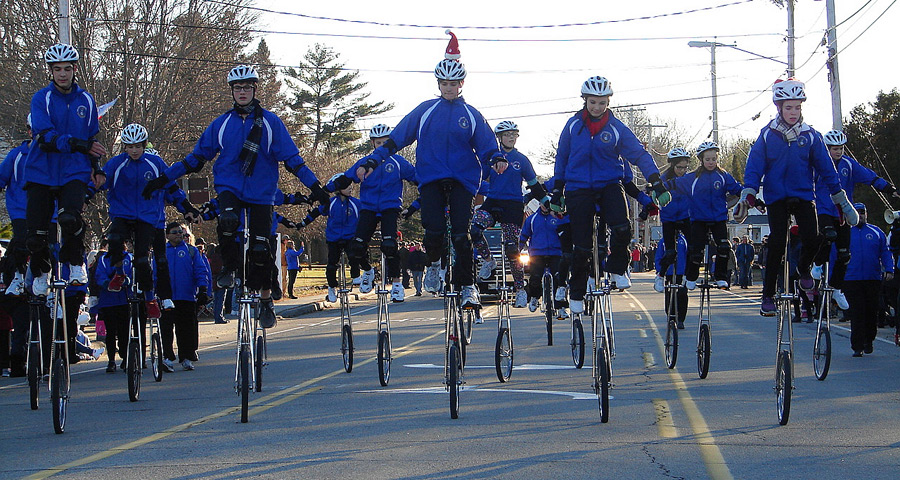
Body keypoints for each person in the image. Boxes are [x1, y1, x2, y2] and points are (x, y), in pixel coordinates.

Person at [142, 65, 329, 329]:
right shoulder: (222, 124)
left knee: (262, 249)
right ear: (232, 91)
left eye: (246, 87)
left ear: (254, 89)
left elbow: (293, 161)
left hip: (262, 192)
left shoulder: (270, 123)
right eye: (237, 88)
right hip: (230, 186)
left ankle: (266, 300)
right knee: (228, 220)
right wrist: (164, 178)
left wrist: (317, 188)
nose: (242, 92)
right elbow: (195, 158)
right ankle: (230, 269)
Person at [550, 75, 670, 314]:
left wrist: (656, 182)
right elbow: (562, 158)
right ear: (585, 100)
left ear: (608, 102)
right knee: (582, 246)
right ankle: (576, 292)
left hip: (609, 184)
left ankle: (617, 268)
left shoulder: (616, 128)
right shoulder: (573, 126)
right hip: (578, 187)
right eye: (593, 102)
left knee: (622, 227)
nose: (597, 107)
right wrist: (557, 190)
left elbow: (638, 155)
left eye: (602, 103)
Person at [742, 78, 857, 316]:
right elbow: (754, 164)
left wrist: (840, 199)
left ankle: (804, 269)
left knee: (813, 238)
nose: (793, 112)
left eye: (797, 107)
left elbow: (827, 169)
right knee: (776, 243)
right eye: (788, 107)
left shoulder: (811, 136)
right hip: (776, 197)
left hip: (804, 194)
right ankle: (768, 295)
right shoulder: (768, 134)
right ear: (779, 108)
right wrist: (750, 190)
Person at [25, 43, 107, 296]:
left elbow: (92, 137)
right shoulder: (42, 98)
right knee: (36, 235)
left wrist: (97, 168)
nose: (63, 74)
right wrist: (77, 143)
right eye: (57, 69)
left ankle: (75, 262)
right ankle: (42, 271)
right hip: (42, 169)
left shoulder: (86, 99)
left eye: (67, 69)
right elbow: (46, 136)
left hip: (74, 170)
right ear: (51, 71)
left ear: (74, 70)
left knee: (70, 217)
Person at [96, 124, 180, 319]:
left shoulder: (155, 162)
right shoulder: (116, 164)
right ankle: (118, 273)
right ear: (125, 147)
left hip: (147, 217)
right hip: (123, 214)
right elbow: (100, 182)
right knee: (114, 238)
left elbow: (172, 186)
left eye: (138, 146)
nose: (134, 150)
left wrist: (186, 207)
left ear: (144, 145)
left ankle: (151, 298)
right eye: (130, 146)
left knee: (144, 258)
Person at [327, 123, 418, 302]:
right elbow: (345, 179)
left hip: (390, 207)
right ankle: (368, 271)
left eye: (385, 143)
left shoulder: (398, 162)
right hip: (368, 207)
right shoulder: (364, 163)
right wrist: (322, 190)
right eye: (378, 143)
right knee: (357, 246)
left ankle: (397, 284)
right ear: (373, 144)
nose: (382, 146)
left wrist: (418, 203)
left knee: (390, 245)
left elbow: (419, 179)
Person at [811, 129, 899, 311]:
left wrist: (889, 189)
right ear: (827, 149)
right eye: (834, 149)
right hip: (823, 208)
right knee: (828, 234)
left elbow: (869, 177)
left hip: (843, 211)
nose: (838, 152)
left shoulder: (848, 165)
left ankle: (836, 287)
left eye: (841, 148)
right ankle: (818, 264)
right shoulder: (817, 165)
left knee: (844, 254)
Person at [470, 120, 547, 309]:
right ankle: (489, 261)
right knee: (475, 230)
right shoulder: (492, 158)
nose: (511, 138)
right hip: (493, 201)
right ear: (499, 138)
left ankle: (520, 289)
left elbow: (534, 185)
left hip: (513, 205)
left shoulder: (521, 160)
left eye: (514, 134)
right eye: (507, 135)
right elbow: (477, 179)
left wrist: (546, 201)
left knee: (513, 249)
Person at [298, 176, 363, 303]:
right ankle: (332, 287)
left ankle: (356, 276)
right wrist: (302, 223)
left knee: (354, 255)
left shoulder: (356, 203)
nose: (350, 188)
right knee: (332, 263)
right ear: (338, 189)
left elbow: (367, 213)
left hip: (350, 236)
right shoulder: (331, 203)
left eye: (351, 186)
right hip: (334, 237)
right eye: (346, 186)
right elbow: (316, 212)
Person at [841, 203, 894, 356]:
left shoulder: (876, 232)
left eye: (862, 212)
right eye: (857, 212)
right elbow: (836, 255)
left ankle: (869, 340)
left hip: (872, 278)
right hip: (851, 279)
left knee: (872, 311)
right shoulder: (846, 233)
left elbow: (885, 252)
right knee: (857, 312)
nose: (860, 215)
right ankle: (857, 346)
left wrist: (889, 269)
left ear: (866, 214)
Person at [161, 222, 208, 371]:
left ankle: (186, 357)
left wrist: (202, 289)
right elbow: (155, 272)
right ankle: (167, 357)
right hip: (167, 297)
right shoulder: (161, 251)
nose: (179, 235)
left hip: (186, 296)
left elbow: (200, 271)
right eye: (175, 232)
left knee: (185, 329)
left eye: (181, 232)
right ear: (167, 235)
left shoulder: (191, 251)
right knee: (166, 328)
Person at [1, 115, 33, 296]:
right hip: (20, 209)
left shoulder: (52, 156)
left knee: (47, 246)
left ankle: (45, 281)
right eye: (32, 130)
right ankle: (18, 276)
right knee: (21, 240)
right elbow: (2, 176)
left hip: (46, 210)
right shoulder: (17, 155)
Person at [653, 149, 692, 293]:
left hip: (685, 216)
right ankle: (660, 276)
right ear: (672, 166)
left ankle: (689, 276)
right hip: (669, 218)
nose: (682, 171)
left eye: (685, 167)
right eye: (679, 167)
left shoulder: (688, 180)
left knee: (693, 248)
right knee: (670, 252)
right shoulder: (663, 180)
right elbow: (653, 195)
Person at [520, 203, 568, 319]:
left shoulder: (557, 218)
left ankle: (561, 307)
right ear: (540, 204)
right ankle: (535, 297)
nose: (545, 207)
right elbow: (524, 235)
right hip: (537, 253)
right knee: (535, 277)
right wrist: (518, 249)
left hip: (556, 253)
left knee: (559, 278)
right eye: (543, 204)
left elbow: (566, 234)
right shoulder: (532, 219)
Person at [655, 232, 688, 329]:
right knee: (669, 295)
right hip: (668, 272)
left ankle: (681, 319)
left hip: (681, 272)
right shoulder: (664, 241)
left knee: (682, 295)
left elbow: (687, 255)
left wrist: (688, 271)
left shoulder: (683, 240)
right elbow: (659, 256)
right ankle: (671, 317)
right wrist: (659, 270)